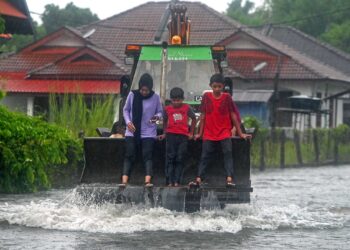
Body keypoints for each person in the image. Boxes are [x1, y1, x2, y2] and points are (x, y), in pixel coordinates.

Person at [190, 73, 251, 187]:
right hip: (209, 132)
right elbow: (202, 116)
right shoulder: (206, 97)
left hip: (224, 132)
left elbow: (233, 115)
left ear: (223, 86)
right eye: (214, 87)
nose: (217, 89)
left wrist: (241, 133)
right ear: (210, 86)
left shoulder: (227, 97)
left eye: (219, 86)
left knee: (227, 153)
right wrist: (199, 133)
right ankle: (199, 178)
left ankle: (229, 178)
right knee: (205, 155)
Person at [120, 73, 163, 187]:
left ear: (150, 88)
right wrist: (128, 122)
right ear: (139, 87)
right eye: (142, 90)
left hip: (149, 132)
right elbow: (126, 110)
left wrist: (155, 119)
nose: (144, 92)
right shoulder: (132, 95)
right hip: (132, 131)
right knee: (129, 155)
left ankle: (148, 181)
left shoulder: (155, 97)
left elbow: (160, 112)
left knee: (147, 156)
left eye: (146, 90)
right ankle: (124, 181)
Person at [159, 87, 196, 186]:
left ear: (182, 99)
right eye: (174, 100)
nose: (176, 102)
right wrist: (164, 133)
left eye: (178, 100)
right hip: (171, 136)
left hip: (183, 137)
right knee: (170, 158)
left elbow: (194, 118)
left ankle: (177, 181)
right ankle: (169, 181)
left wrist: (191, 133)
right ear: (170, 100)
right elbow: (165, 121)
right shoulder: (167, 109)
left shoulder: (186, 108)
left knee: (180, 158)